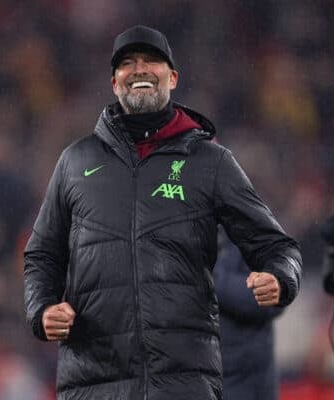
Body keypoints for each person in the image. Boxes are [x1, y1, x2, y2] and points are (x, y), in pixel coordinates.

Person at [23, 25, 302, 400]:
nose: (139, 69)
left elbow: (277, 246)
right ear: (114, 82)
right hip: (93, 384)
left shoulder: (210, 161)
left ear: (172, 77)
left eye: (150, 61)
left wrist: (281, 277)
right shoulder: (75, 161)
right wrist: (41, 309)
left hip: (182, 384)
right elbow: (42, 254)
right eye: (127, 63)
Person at [214, 230, 283, 400]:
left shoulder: (256, 231)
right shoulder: (190, 232)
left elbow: (275, 297)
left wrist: (213, 281)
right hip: (207, 369)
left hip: (247, 376)